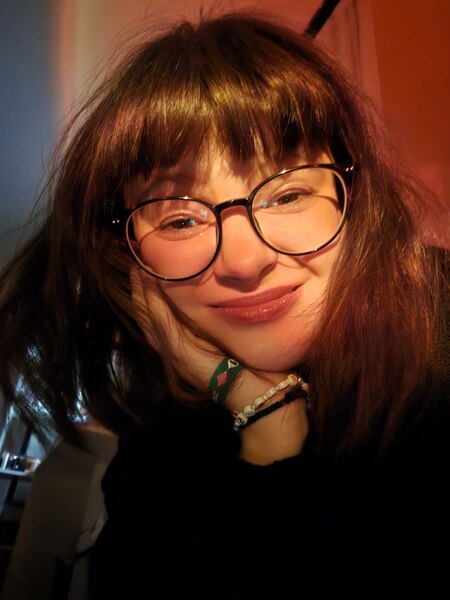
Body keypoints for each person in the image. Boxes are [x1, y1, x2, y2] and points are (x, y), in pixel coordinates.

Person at [0, 10, 448, 598]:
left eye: (287, 194)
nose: (243, 261)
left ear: (352, 197)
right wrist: (262, 416)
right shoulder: (160, 447)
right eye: (181, 219)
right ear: (130, 256)